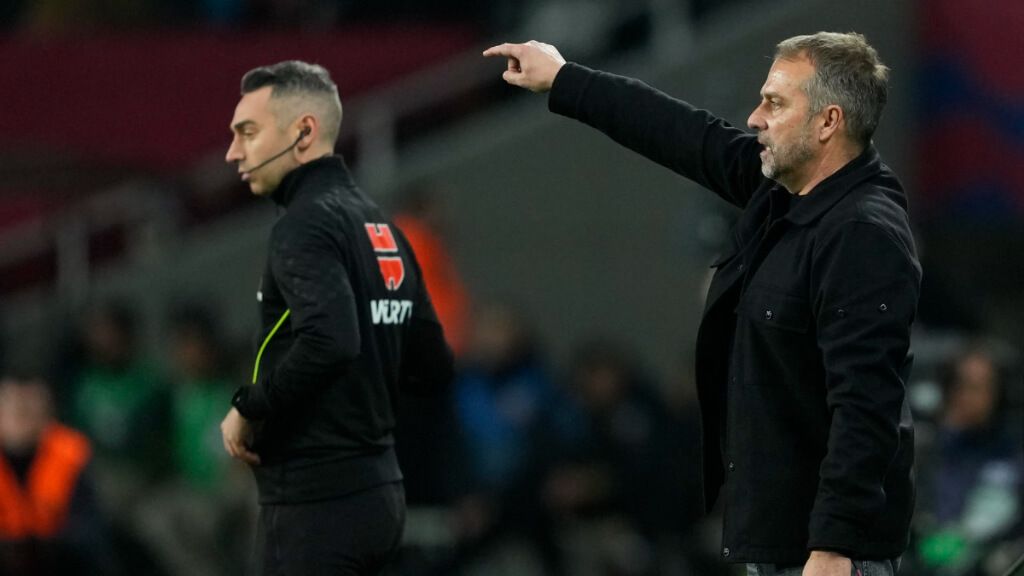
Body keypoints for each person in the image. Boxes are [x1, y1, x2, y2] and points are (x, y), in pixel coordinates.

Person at [484, 32, 920, 576]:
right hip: (782, 544)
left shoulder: (862, 235)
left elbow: (867, 408)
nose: (755, 117)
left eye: (776, 103)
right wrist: (565, 78)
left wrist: (835, 545)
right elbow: (683, 133)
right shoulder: (784, 191)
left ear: (829, 122)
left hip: (824, 557)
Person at [221, 60, 455, 576]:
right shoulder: (382, 226)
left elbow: (331, 339)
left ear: (303, 131)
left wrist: (251, 405)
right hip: (380, 497)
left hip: (315, 506)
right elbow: (434, 365)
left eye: (248, 132)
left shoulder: (303, 226)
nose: (233, 152)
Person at [0, 373, 111, 575]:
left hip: (59, 561)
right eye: (13, 409)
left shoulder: (72, 453)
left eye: (29, 409)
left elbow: (88, 529)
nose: (20, 415)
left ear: (48, 413)